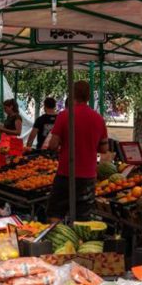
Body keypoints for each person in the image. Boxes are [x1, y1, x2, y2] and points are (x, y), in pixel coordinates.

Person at [46, 81, 109, 222]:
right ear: (88, 96)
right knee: (83, 217)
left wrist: (64, 142)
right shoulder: (99, 119)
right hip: (88, 177)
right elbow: (104, 148)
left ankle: (58, 240)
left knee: (55, 212)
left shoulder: (64, 116)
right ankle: (79, 242)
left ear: (72, 94)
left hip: (66, 173)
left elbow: (53, 145)